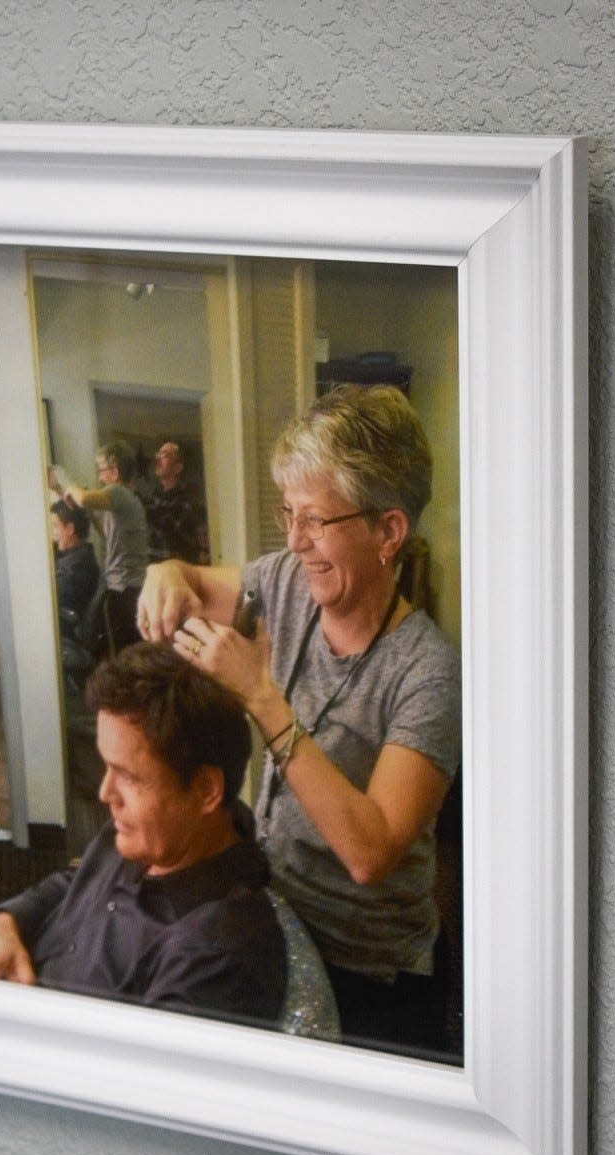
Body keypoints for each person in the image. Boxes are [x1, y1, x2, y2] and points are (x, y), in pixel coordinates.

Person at [137, 383, 461, 1053]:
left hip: (370, 973)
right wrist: (167, 571)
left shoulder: (428, 673)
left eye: (315, 521)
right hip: (277, 916)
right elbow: (196, 584)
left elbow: (370, 853)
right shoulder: (286, 581)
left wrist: (262, 699)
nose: (295, 541)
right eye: (288, 514)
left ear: (388, 532)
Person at [0, 643, 286, 1028]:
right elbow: (75, 884)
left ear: (205, 791)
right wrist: (6, 923)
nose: (105, 794)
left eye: (129, 777)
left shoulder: (215, 959)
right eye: (107, 767)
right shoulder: (154, 831)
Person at [49, 443, 148, 652]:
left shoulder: (119, 492)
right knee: (126, 650)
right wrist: (63, 492)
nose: (100, 478)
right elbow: (106, 532)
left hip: (123, 591)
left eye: (101, 470)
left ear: (115, 471)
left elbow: (83, 498)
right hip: (130, 589)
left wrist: (61, 478)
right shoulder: (129, 500)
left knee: (119, 653)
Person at [143, 440, 210, 565]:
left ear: (178, 467)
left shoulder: (187, 501)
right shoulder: (151, 498)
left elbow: (170, 530)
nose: (158, 459)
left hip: (177, 571)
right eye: (158, 454)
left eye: (165, 455)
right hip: (153, 571)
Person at [50, 499, 101, 621]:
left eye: (55, 526)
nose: (53, 533)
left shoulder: (77, 572)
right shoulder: (83, 554)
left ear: (70, 529)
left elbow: (44, 596)